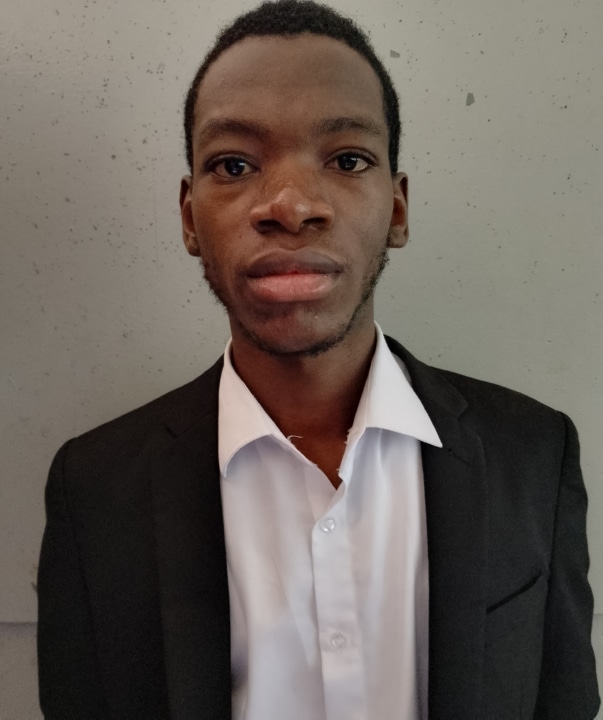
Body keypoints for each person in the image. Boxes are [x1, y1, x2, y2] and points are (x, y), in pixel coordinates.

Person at [37, 1, 600, 718]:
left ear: (397, 209)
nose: (291, 205)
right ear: (188, 217)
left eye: (347, 160)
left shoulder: (533, 454)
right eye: (234, 164)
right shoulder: (94, 489)